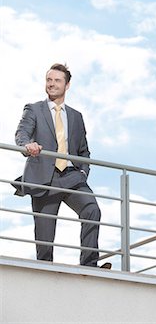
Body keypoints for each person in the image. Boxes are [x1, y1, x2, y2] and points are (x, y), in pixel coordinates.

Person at [14, 63, 111, 269]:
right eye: (49, 80)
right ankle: (46, 272)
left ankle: (89, 265)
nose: (52, 84)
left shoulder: (76, 116)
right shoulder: (34, 109)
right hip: (44, 179)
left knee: (92, 210)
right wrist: (26, 145)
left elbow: (84, 151)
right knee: (45, 235)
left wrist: (83, 172)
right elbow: (22, 133)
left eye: (57, 81)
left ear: (67, 85)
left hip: (72, 177)